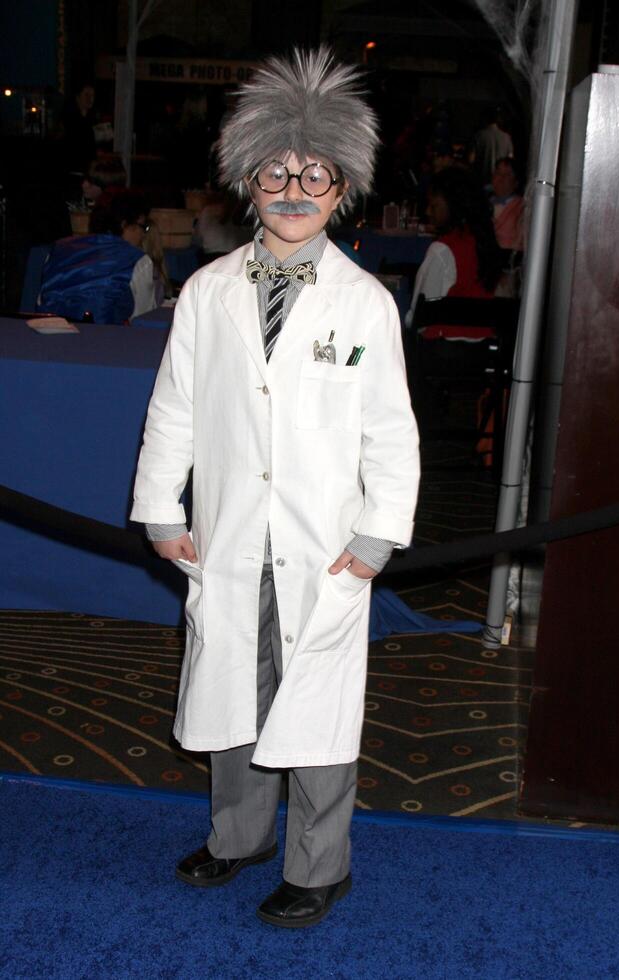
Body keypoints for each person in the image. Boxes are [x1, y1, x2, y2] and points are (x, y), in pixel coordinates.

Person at [130, 47, 420, 928]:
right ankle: (238, 836)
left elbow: (391, 429)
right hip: (227, 536)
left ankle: (319, 865)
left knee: (317, 706)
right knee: (231, 693)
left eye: (316, 177)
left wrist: (377, 535)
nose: (294, 192)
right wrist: (159, 509)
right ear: (247, 182)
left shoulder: (363, 302)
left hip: (322, 545)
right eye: (275, 174)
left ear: (344, 191)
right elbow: (173, 406)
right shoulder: (208, 293)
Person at [406, 167, 504, 327]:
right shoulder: (486, 245)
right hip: (484, 346)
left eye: (434, 205)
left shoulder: (442, 250)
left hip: (441, 347)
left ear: (453, 205)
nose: (428, 211)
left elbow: (418, 314)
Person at [38, 190, 157, 323]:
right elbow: (144, 318)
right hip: (105, 338)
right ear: (125, 224)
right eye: (143, 227)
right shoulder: (137, 260)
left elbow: (41, 300)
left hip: (52, 335)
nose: (143, 235)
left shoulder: (58, 249)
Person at [490, 156, 524, 253]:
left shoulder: (521, 207)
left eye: (507, 175)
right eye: (498, 173)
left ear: (516, 182)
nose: (501, 178)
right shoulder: (483, 204)